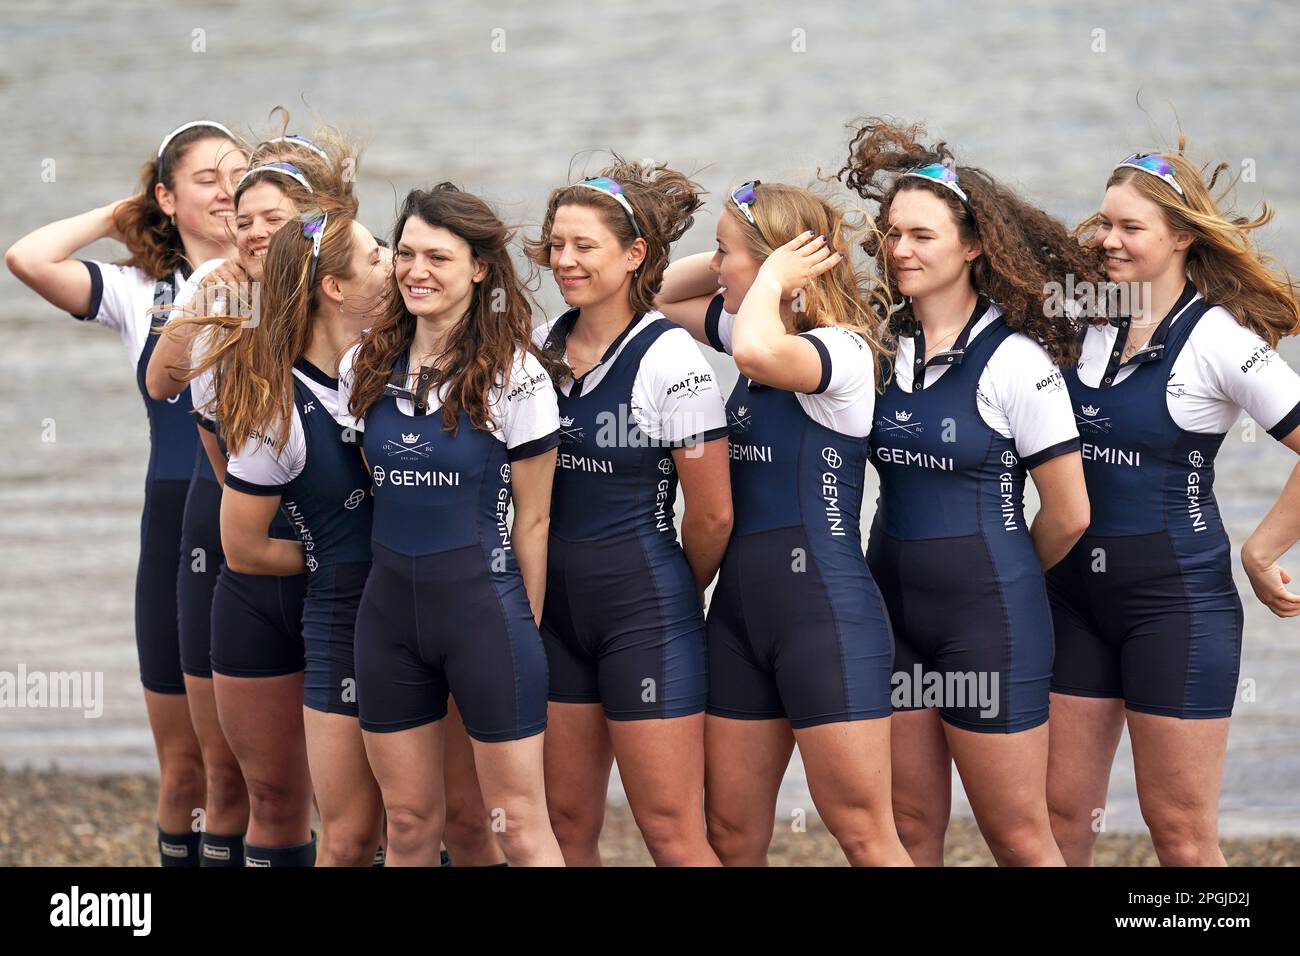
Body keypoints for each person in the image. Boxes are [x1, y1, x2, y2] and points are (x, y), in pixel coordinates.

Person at [838, 118, 1095, 865]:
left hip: (989, 620)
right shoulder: (879, 345)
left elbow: (1070, 513)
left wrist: (1002, 580)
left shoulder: (1017, 364)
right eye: (892, 234)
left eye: (922, 235)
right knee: (911, 825)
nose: (900, 250)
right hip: (893, 616)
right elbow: (714, 316)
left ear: (974, 245)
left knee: (1017, 835)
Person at [1046, 144, 1300, 866]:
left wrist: (1261, 550)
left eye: (1131, 228)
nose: (1107, 240)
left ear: (1183, 236)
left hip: (1174, 604)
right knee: (1059, 817)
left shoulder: (1220, 339)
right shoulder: (1080, 317)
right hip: (1069, 598)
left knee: (1180, 835)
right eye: (1103, 224)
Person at [5, 120, 246, 866]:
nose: (228, 189)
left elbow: (336, 231)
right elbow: (27, 257)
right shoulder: (140, 291)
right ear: (167, 197)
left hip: (263, 524)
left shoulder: (281, 279)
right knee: (185, 772)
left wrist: (282, 212)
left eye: (241, 173)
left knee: (260, 772)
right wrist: (122, 214)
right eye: (206, 177)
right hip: (175, 528)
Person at [657, 180, 912, 866]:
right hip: (739, 617)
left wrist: (770, 273)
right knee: (731, 835)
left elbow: (757, 356)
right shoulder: (757, 325)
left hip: (823, 617)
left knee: (863, 832)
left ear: (778, 268)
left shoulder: (844, 353)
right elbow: (658, 293)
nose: (714, 266)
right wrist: (750, 261)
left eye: (723, 253)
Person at [341, 184, 565, 866]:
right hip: (387, 623)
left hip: (484, 619)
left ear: (477, 268)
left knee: (518, 828)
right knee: (408, 825)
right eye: (405, 253)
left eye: (438, 256)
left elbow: (534, 520)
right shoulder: (365, 365)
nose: (416, 271)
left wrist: (518, 629)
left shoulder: (516, 376)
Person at [525, 159, 732, 866]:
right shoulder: (543, 345)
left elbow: (712, 519)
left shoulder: (672, 361)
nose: (565, 260)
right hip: (553, 616)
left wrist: (670, 594)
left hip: (643, 617)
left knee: (672, 832)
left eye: (585, 245)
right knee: (564, 824)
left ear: (634, 254)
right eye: (557, 244)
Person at [160, 138, 343, 866]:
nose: (255, 232)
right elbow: (162, 388)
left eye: (275, 217)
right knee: (264, 793)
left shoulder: (356, 310)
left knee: (375, 805)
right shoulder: (222, 313)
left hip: (349, 582)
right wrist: (203, 295)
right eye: (244, 220)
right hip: (251, 569)